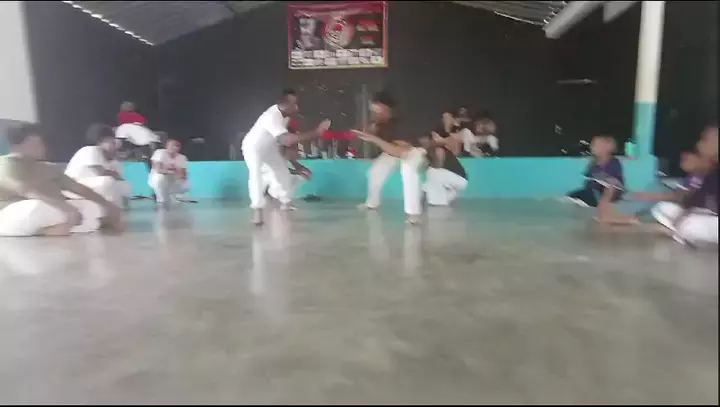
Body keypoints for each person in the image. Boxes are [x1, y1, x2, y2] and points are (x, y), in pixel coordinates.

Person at [0, 123, 123, 236]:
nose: (43, 148)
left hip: (54, 208)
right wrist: (66, 208)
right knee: (37, 207)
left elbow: (77, 188)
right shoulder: (6, 164)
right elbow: (26, 191)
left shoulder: (48, 167)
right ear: (21, 145)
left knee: (94, 207)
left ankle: (60, 227)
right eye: (37, 144)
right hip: (14, 213)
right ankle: (56, 228)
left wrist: (107, 205)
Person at [242, 88, 331, 225]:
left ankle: (286, 202)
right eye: (293, 104)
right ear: (284, 104)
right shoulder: (271, 117)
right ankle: (257, 211)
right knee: (255, 174)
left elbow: (284, 145)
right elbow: (287, 140)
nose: (296, 107)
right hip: (253, 147)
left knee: (281, 171)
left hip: (270, 148)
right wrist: (316, 132)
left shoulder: (286, 117)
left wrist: (297, 165)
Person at [352, 90, 426, 224]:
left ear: (386, 109)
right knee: (375, 172)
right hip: (392, 151)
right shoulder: (380, 123)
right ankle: (372, 203)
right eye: (372, 109)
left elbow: (401, 152)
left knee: (408, 170)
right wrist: (371, 132)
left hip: (412, 151)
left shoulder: (400, 124)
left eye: (376, 109)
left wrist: (374, 139)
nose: (373, 113)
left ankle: (413, 214)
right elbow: (389, 147)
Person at [650, 125, 718, 245]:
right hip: (705, 216)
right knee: (662, 208)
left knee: (689, 224)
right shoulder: (707, 171)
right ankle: (679, 231)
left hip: (712, 220)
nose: (699, 144)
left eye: (705, 140)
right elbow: (691, 202)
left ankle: (680, 231)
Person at [564, 135, 635, 224]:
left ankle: (602, 209)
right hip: (593, 189)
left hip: (607, 191)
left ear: (606, 148)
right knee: (572, 196)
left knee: (597, 196)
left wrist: (604, 200)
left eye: (595, 145)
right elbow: (588, 175)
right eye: (592, 145)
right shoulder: (594, 162)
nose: (592, 147)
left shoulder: (614, 163)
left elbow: (614, 185)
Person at [64, 123, 132, 207]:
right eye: (112, 143)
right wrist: (115, 174)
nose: (115, 147)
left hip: (91, 187)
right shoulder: (90, 150)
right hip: (73, 186)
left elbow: (120, 179)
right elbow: (100, 172)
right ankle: (109, 207)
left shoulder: (112, 161)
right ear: (100, 142)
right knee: (107, 181)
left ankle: (120, 208)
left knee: (124, 184)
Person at [423, 111, 468, 206]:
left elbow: (438, 164)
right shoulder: (430, 150)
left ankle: (440, 202)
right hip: (454, 177)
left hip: (459, 178)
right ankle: (449, 195)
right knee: (430, 178)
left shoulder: (440, 149)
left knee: (432, 172)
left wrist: (429, 164)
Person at [149, 139, 191, 208]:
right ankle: (160, 199)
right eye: (172, 146)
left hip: (173, 180)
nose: (175, 147)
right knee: (159, 179)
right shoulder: (159, 153)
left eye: (177, 146)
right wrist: (172, 171)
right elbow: (157, 169)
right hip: (159, 179)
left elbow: (183, 175)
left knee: (187, 185)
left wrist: (176, 171)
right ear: (166, 146)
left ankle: (173, 196)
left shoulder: (182, 157)